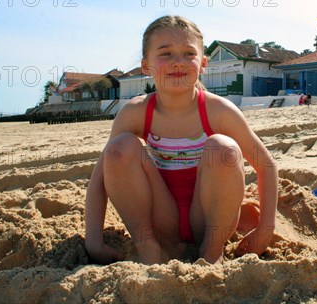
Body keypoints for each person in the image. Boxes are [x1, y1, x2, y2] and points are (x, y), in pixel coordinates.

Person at [85, 16, 278, 266]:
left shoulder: (219, 110)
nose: (178, 62)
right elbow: (100, 179)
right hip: (160, 221)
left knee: (223, 148)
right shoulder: (136, 112)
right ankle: (148, 248)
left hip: (208, 219)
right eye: (165, 54)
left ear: (203, 63)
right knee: (119, 149)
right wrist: (93, 242)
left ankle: (212, 250)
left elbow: (266, 165)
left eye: (188, 53)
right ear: (146, 65)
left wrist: (265, 230)